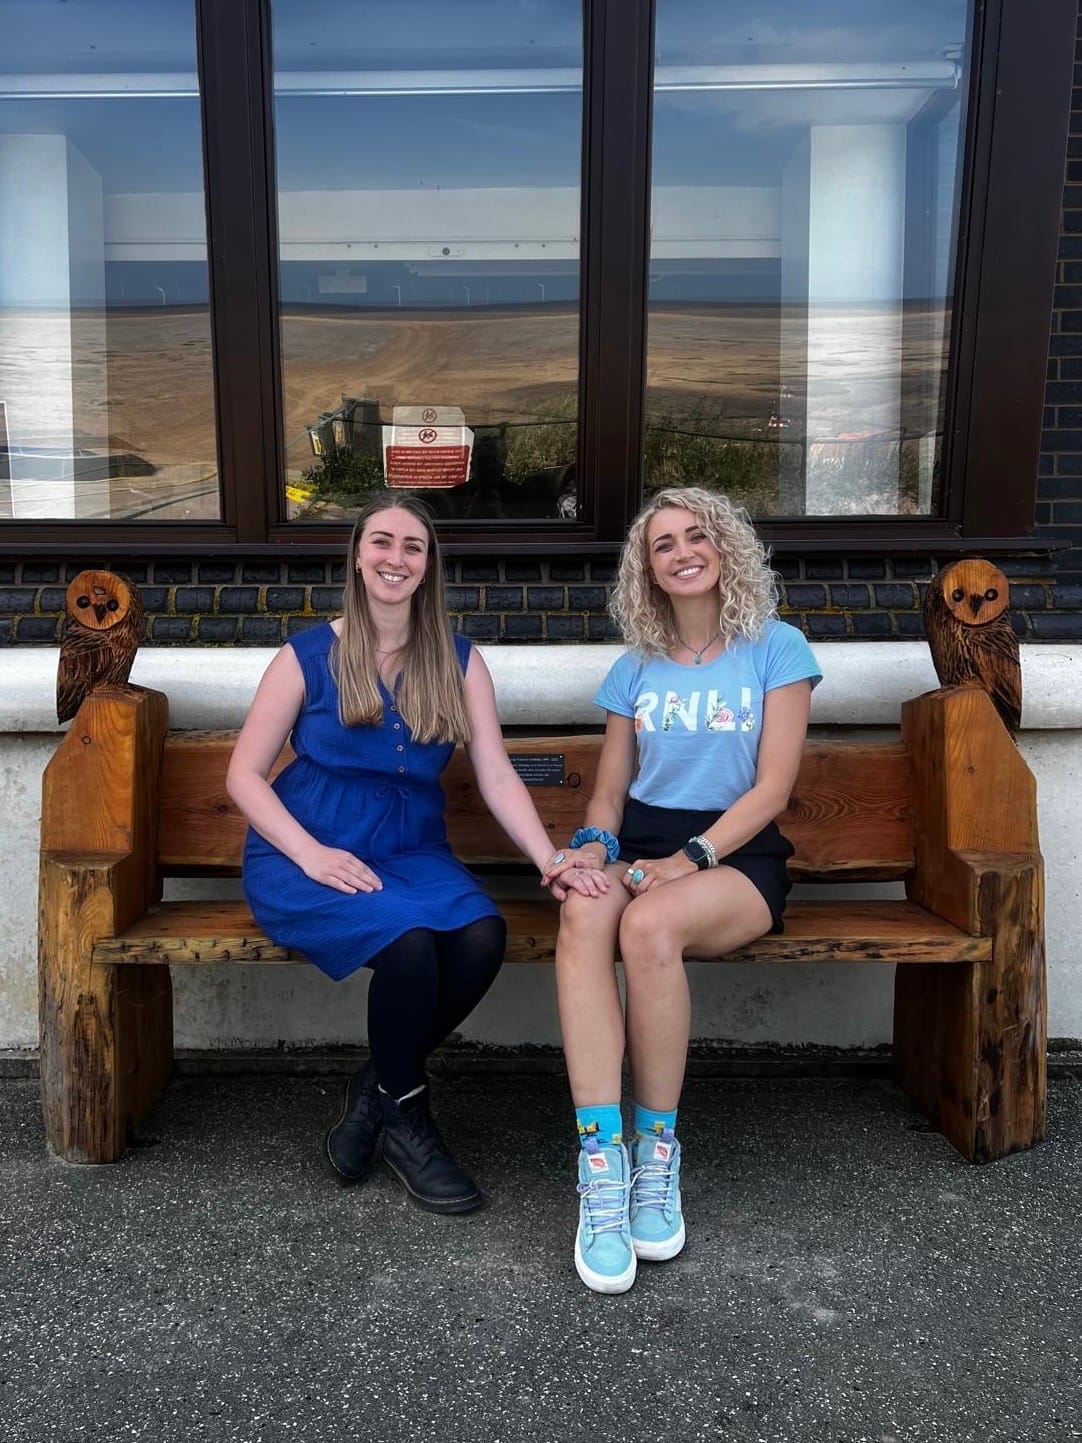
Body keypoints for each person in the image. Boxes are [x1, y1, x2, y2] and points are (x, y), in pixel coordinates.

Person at [227, 492, 590, 1215]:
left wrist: (548, 853)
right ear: (359, 556)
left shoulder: (458, 661)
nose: (396, 558)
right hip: (309, 845)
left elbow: (493, 770)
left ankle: (375, 1090)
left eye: (413, 547)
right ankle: (411, 1121)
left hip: (410, 848)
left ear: (428, 567)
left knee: (482, 936)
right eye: (383, 543)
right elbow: (242, 773)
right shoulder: (308, 655)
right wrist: (308, 853)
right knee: (412, 946)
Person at [553, 485, 821, 1293]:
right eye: (662, 544)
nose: (682, 551)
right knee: (582, 910)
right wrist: (593, 847)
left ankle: (657, 1155)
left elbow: (773, 787)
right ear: (648, 571)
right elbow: (609, 789)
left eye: (696, 535)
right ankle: (602, 1163)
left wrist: (692, 856)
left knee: (650, 927)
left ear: (725, 548)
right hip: (640, 846)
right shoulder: (633, 666)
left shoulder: (776, 648)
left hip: (738, 858)